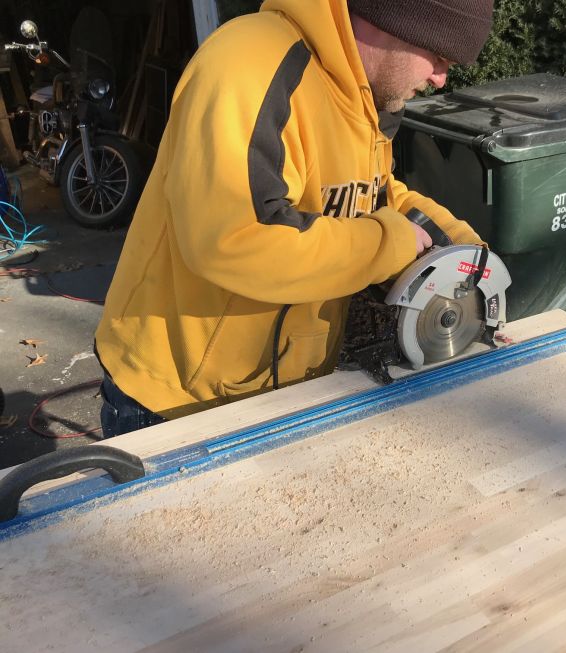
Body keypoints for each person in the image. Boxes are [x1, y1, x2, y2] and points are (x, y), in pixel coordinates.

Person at [95, 0, 495, 436]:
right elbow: (233, 238)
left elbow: (371, 197)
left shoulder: (360, 96)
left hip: (281, 389)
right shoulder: (250, 62)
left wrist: (455, 243)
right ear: (395, 20)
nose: (441, 78)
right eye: (439, 56)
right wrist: (385, 246)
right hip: (181, 405)